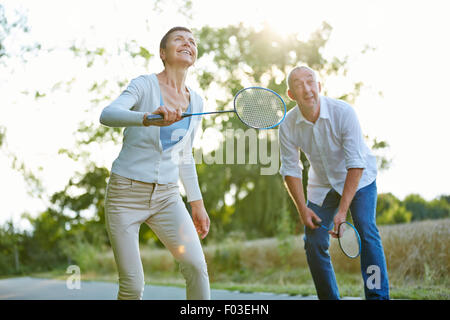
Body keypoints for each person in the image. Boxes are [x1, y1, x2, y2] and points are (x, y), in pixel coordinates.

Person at [99, 26, 210, 300]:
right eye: (179, 39)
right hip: (125, 195)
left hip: (167, 197)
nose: (187, 43)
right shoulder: (143, 84)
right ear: (163, 52)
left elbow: (185, 154)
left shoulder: (197, 101)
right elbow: (108, 114)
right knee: (133, 286)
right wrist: (147, 117)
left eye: (192, 41)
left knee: (196, 266)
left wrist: (196, 203)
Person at [279, 66, 389, 300]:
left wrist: (342, 212)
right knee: (313, 241)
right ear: (291, 94)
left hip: (359, 179)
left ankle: (378, 297)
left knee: (366, 230)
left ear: (319, 87)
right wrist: (302, 208)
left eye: (311, 82)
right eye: (299, 84)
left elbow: (355, 164)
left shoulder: (343, 112)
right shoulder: (287, 125)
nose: (307, 88)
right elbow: (290, 169)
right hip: (323, 185)